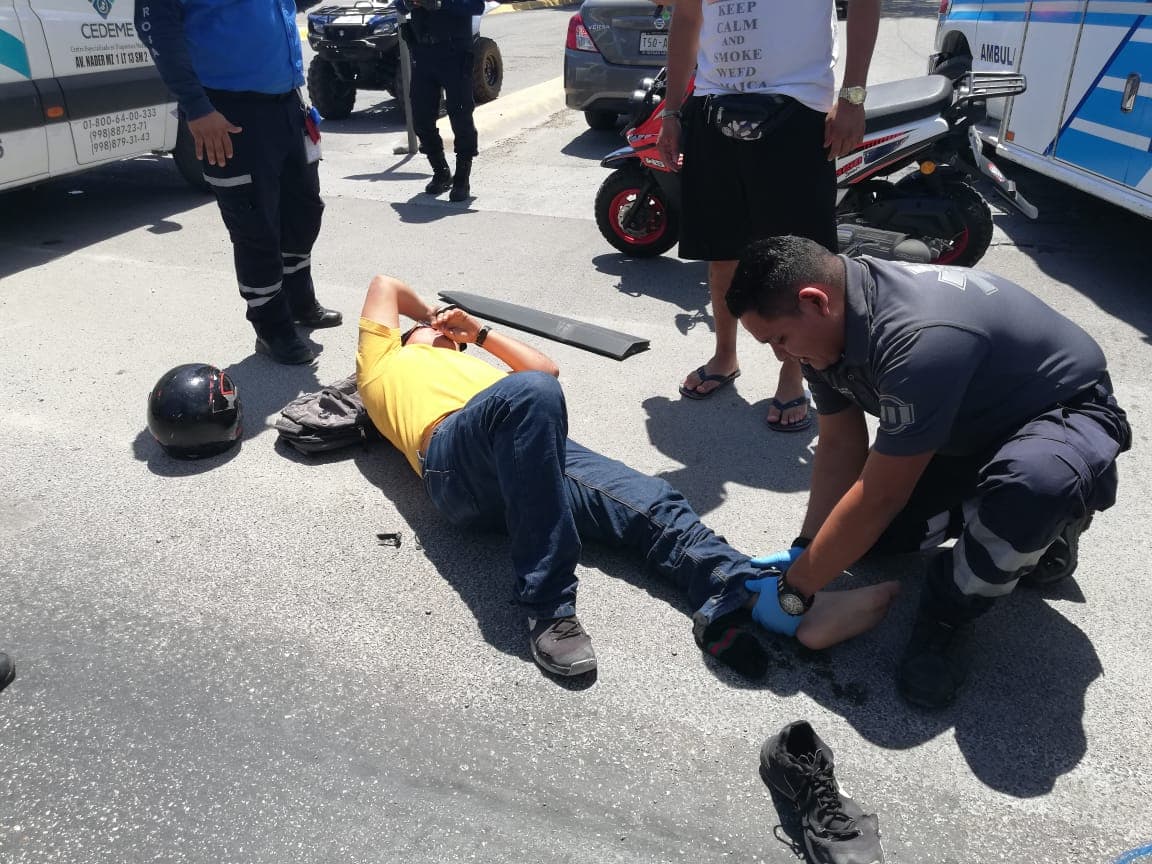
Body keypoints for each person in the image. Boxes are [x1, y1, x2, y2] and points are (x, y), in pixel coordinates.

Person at [355, 275, 900, 678]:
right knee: (530, 396)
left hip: (532, 447)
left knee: (654, 504)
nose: (440, 337)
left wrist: (477, 333)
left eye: (445, 337)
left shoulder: (476, 359)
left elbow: (546, 370)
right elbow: (387, 285)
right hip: (454, 461)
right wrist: (430, 315)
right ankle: (547, 609)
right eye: (427, 335)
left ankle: (771, 602)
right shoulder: (382, 360)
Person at [725, 236, 1132, 708]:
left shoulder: (918, 337)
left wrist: (795, 594)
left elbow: (880, 496)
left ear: (814, 301)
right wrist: (806, 550)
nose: (780, 355)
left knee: (1034, 486)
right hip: (967, 430)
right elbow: (840, 443)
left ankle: (950, 612)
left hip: (1059, 414)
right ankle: (1007, 517)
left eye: (778, 339)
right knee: (861, 542)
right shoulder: (825, 328)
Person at [655, 0, 880, 432]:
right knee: (721, 251)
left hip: (796, 107)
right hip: (712, 105)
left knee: (798, 260)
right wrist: (671, 110)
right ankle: (725, 353)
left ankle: (795, 373)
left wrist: (852, 95)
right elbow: (686, 17)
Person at [136, 0, 342, 365]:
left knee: (303, 210)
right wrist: (197, 108)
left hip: (288, 105)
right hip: (229, 112)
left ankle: (299, 301)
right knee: (254, 224)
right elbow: (158, 31)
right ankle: (271, 327)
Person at [398, 0, 484, 202]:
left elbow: (476, 6)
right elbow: (399, 6)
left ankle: (462, 178)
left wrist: (440, 3)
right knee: (420, 118)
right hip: (424, 54)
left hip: (455, 53)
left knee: (461, 118)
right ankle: (441, 171)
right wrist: (409, 3)